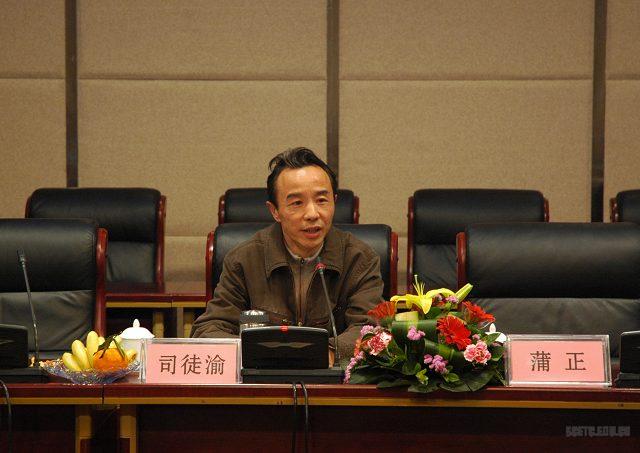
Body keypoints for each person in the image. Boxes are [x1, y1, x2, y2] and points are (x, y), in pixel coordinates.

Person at [191, 147, 383, 363]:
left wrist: (322, 354)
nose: (312, 214)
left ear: (334, 201)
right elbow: (208, 329)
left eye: (322, 200)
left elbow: (370, 330)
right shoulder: (244, 259)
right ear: (275, 211)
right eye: (297, 203)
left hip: (331, 378)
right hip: (262, 379)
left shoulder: (360, 259)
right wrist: (265, 354)